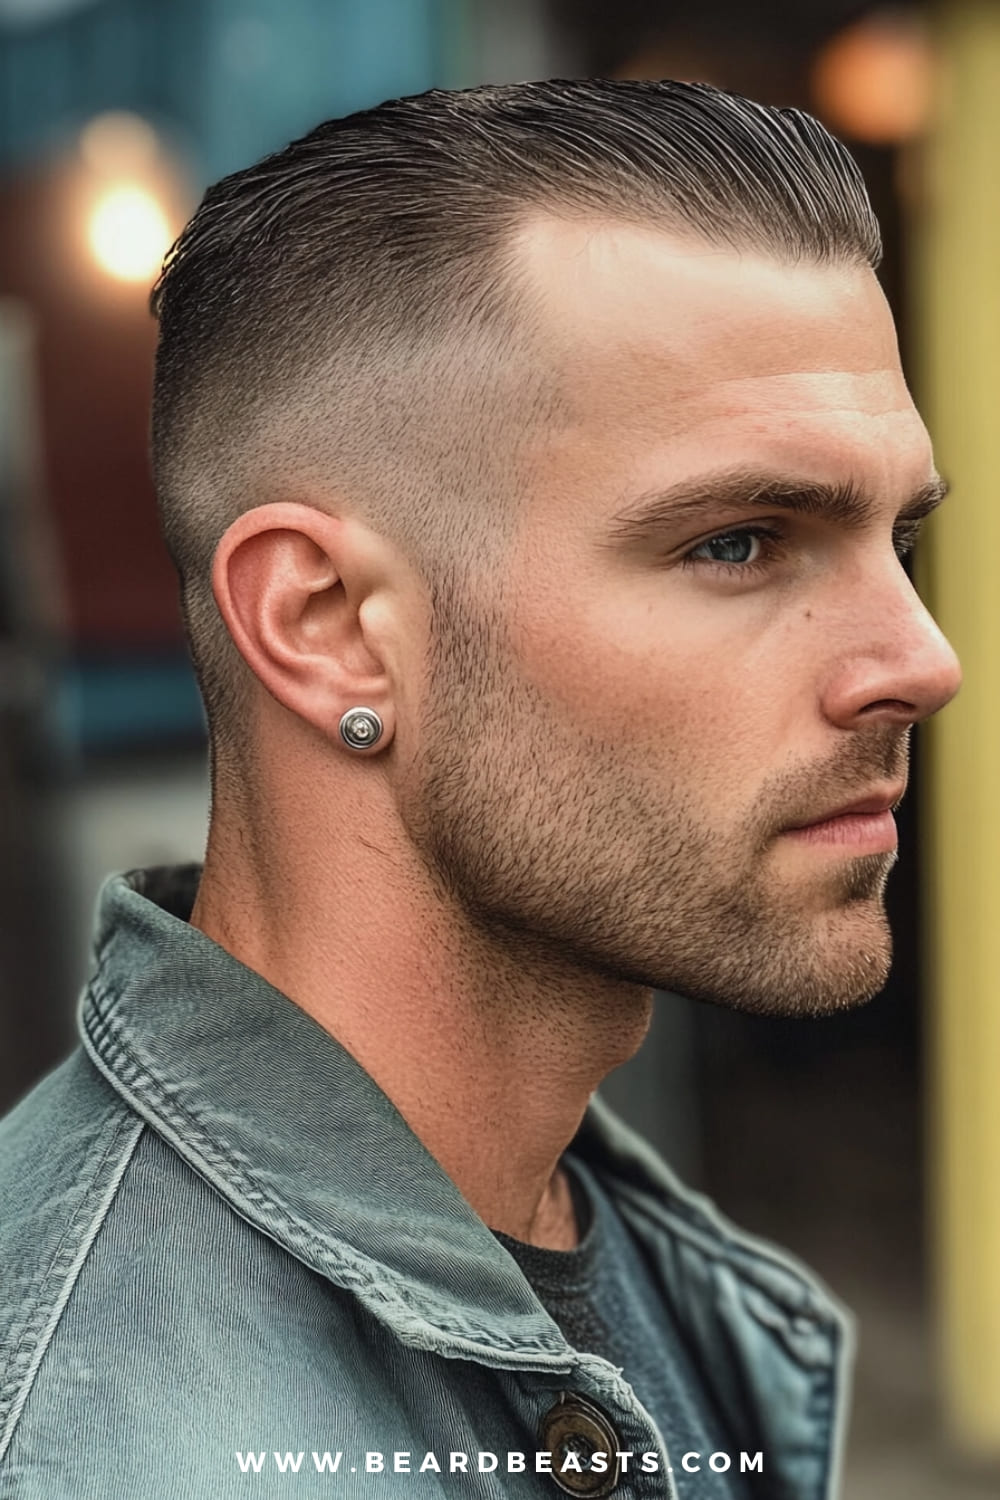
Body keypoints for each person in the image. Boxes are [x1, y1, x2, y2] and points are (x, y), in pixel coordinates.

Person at [0, 78, 960, 1499]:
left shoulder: (602, 1240)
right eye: (739, 543)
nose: (921, 663)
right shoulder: (119, 1452)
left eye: (901, 543)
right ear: (328, 627)